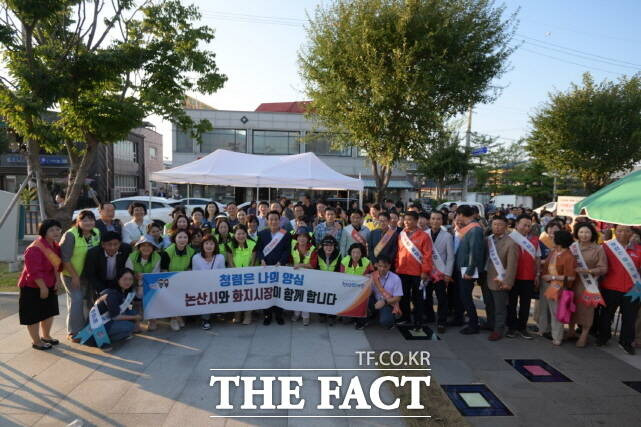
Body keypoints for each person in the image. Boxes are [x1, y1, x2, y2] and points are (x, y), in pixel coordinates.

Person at [19, 219, 64, 350]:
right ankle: (36, 341)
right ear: (44, 232)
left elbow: (57, 265)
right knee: (33, 315)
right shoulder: (35, 248)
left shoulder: (55, 246)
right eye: (52, 230)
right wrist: (43, 287)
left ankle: (46, 336)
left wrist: (57, 280)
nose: (56, 232)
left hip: (49, 283)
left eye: (57, 229)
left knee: (49, 311)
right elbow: (33, 271)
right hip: (32, 286)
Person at [598, 225, 641, 354]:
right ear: (615, 232)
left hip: (634, 289)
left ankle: (626, 342)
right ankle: (603, 337)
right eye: (620, 231)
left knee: (630, 317)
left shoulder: (639, 250)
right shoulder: (606, 247)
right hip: (610, 286)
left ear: (631, 233)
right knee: (607, 314)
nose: (623, 233)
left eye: (627, 231)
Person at [59, 210, 101, 341]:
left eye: (91, 219)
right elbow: (65, 259)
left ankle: (89, 327)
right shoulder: (70, 235)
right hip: (71, 275)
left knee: (89, 301)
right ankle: (74, 332)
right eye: (84, 220)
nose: (88, 222)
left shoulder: (96, 233)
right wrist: (75, 276)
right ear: (78, 222)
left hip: (88, 274)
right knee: (76, 300)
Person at [567, 222, 608, 347]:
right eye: (581, 232)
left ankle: (584, 334)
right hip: (573, 283)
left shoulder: (598, 249)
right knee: (571, 306)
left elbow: (603, 268)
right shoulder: (572, 247)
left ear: (592, 234)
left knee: (587, 310)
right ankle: (571, 331)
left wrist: (588, 271)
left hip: (589, 285)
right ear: (577, 234)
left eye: (587, 232)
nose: (584, 235)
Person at [81, 269, 142, 351]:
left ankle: (116, 334)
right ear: (118, 279)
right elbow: (115, 317)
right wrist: (135, 318)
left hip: (107, 320)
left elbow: (133, 303)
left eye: (130, 279)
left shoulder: (123, 290)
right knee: (130, 326)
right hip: (96, 328)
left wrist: (134, 316)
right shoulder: (112, 295)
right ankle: (103, 341)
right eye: (125, 279)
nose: (128, 282)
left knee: (132, 312)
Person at [395, 211, 432, 328]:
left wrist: (425, 271)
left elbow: (427, 255)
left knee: (417, 297)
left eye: (410, 219)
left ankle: (418, 319)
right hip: (402, 271)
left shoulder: (424, 236)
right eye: (405, 219)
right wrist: (397, 266)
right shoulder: (401, 235)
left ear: (416, 221)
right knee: (404, 296)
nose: (406, 222)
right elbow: (398, 253)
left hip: (417, 273)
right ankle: (405, 317)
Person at [506, 214, 541, 340]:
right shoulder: (509, 238)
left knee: (525, 304)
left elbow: (537, 258)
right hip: (512, 276)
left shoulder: (535, 240)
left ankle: (522, 328)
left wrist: (537, 274)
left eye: (528, 225)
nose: (526, 228)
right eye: (524, 225)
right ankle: (511, 327)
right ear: (517, 225)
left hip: (528, 277)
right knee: (511, 303)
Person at [539, 230, 576, 346]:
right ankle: (546, 330)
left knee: (556, 313)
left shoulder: (569, 256)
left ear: (559, 241)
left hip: (559, 287)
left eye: (553, 238)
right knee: (547, 310)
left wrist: (553, 276)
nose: (551, 239)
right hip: (548, 284)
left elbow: (571, 277)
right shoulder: (554, 252)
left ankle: (557, 337)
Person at [485, 216, 519, 341]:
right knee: (489, 304)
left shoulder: (511, 243)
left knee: (500, 307)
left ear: (506, 227)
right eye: (494, 224)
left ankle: (498, 330)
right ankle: (491, 324)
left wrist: (508, 282)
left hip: (500, 279)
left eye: (500, 225)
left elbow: (512, 265)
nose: (497, 227)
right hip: (486, 277)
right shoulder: (488, 239)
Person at [453, 205, 486, 334]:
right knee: (461, 295)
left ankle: (474, 323)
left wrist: (470, 271)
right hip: (463, 267)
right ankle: (461, 319)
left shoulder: (475, 230)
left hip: (467, 269)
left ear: (460, 214)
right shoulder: (469, 228)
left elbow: (475, 252)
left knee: (466, 296)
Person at [256, 210, 292, 325]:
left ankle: (279, 314)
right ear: (267, 220)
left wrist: (281, 262)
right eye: (271, 219)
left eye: (276, 219)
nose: (273, 221)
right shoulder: (262, 234)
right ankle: (267, 314)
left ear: (279, 220)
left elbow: (287, 251)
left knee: (279, 291)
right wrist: (261, 259)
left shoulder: (285, 234)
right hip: (266, 267)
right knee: (267, 291)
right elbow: (259, 249)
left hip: (279, 267)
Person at [425, 211, 454, 333]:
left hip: (440, 272)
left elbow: (450, 257)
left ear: (442, 221)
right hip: (427, 271)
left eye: (438, 219)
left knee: (441, 298)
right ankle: (430, 316)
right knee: (426, 296)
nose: (435, 221)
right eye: (433, 218)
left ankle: (442, 321)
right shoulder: (424, 234)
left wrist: (448, 273)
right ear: (429, 220)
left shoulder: (447, 236)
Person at [160, 229, 195, 331]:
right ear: (174, 239)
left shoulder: (191, 251)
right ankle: (174, 319)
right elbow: (163, 269)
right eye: (179, 237)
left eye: (185, 237)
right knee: (171, 295)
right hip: (169, 280)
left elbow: (190, 268)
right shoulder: (167, 252)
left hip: (184, 280)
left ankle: (179, 316)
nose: (182, 240)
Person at [124, 234, 161, 329]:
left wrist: (144, 278)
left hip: (149, 283)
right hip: (133, 284)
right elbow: (128, 273)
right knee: (134, 300)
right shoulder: (132, 257)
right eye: (143, 245)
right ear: (139, 247)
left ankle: (152, 319)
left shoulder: (157, 257)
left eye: (149, 245)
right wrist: (136, 278)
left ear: (153, 247)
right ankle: (136, 321)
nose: (146, 248)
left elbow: (155, 275)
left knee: (154, 295)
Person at [83, 231, 132, 300]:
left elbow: (128, 269)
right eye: (109, 244)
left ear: (120, 244)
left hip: (118, 281)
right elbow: (90, 274)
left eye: (116, 244)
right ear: (103, 244)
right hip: (100, 281)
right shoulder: (93, 253)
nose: (113, 247)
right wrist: (103, 290)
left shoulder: (126, 249)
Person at [357, 256, 403, 330]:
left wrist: (384, 302)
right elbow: (365, 290)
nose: (382, 269)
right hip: (375, 300)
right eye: (380, 266)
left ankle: (390, 320)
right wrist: (364, 279)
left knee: (386, 322)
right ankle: (365, 320)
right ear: (376, 265)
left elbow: (398, 298)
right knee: (362, 301)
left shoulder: (396, 278)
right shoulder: (372, 275)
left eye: (385, 266)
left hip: (388, 303)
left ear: (389, 266)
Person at [192, 234, 226, 330]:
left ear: (215, 246)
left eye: (212, 244)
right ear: (202, 245)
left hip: (217, 286)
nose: (209, 246)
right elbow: (194, 276)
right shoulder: (196, 258)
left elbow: (222, 274)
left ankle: (220, 312)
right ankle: (205, 319)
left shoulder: (220, 257)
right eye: (206, 243)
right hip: (202, 287)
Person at [227, 224, 258, 325]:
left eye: (243, 233)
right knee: (237, 295)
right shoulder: (229, 245)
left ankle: (248, 315)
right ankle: (237, 314)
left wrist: (248, 274)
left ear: (246, 234)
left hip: (249, 275)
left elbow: (253, 262)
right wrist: (236, 274)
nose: (241, 236)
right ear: (234, 235)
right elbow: (230, 262)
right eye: (238, 234)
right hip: (235, 275)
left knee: (248, 295)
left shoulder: (252, 244)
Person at [290, 227, 318, 325]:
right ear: (296, 238)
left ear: (308, 238)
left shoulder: (313, 249)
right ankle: (296, 313)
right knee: (296, 295)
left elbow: (313, 265)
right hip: (296, 277)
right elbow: (290, 262)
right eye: (300, 236)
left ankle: (306, 316)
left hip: (308, 277)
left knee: (306, 296)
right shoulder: (293, 247)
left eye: (304, 236)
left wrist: (300, 265)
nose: (302, 238)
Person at [316, 235, 342, 325]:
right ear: (322, 246)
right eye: (326, 245)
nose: (329, 247)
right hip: (320, 281)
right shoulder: (317, 254)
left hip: (333, 281)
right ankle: (322, 314)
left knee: (332, 298)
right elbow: (315, 268)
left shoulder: (338, 255)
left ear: (334, 246)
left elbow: (339, 269)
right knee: (321, 297)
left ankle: (332, 316)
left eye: (331, 245)